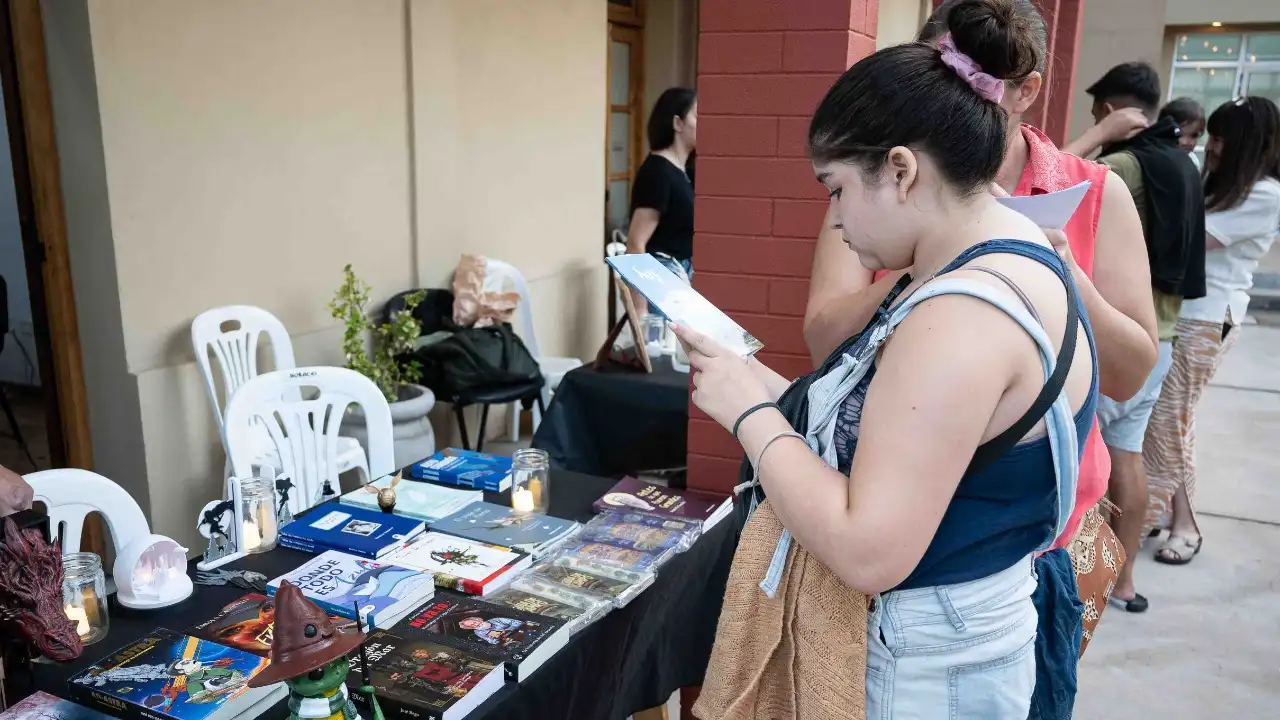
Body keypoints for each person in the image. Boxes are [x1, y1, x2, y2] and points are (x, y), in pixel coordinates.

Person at [675, 1, 1098, 715]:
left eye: (837, 189)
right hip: (969, 632)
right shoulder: (1012, 260)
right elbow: (899, 436)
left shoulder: (957, 316)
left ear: (900, 171)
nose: (835, 221)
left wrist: (747, 413)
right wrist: (751, 380)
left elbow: (869, 548)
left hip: (925, 662)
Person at [802, 1, 1156, 716]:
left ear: (1026, 95)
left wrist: (1050, 271)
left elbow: (1131, 369)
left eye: (971, 85)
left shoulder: (1093, 196)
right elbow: (822, 334)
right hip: (916, 549)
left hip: (1036, 541)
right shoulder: (876, 191)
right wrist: (930, 258)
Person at [1083, 62, 1207, 614]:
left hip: (1118, 336)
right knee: (1126, 456)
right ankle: (1125, 581)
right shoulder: (1182, 161)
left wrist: (1095, 142)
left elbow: (1033, 193)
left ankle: (1088, 577)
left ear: (1109, 111)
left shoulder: (1120, 168)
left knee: (1087, 457)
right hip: (1164, 331)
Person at [1145, 96, 1280, 564]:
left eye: (1222, 139)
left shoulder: (1265, 195)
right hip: (1183, 313)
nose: (1212, 146)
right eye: (1211, 136)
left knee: (1167, 421)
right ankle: (1172, 517)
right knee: (1173, 421)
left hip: (1207, 318)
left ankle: (1176, 523)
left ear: (1247, 145)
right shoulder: (1214, 181)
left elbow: (1193, 241)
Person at [626, 87, 697, 279]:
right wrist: (640, 308)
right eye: (697, 116)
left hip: (683, 273)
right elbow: (635, 243)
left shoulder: (686, 171)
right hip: (662, 277)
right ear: (677, 123)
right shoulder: (657, 172)